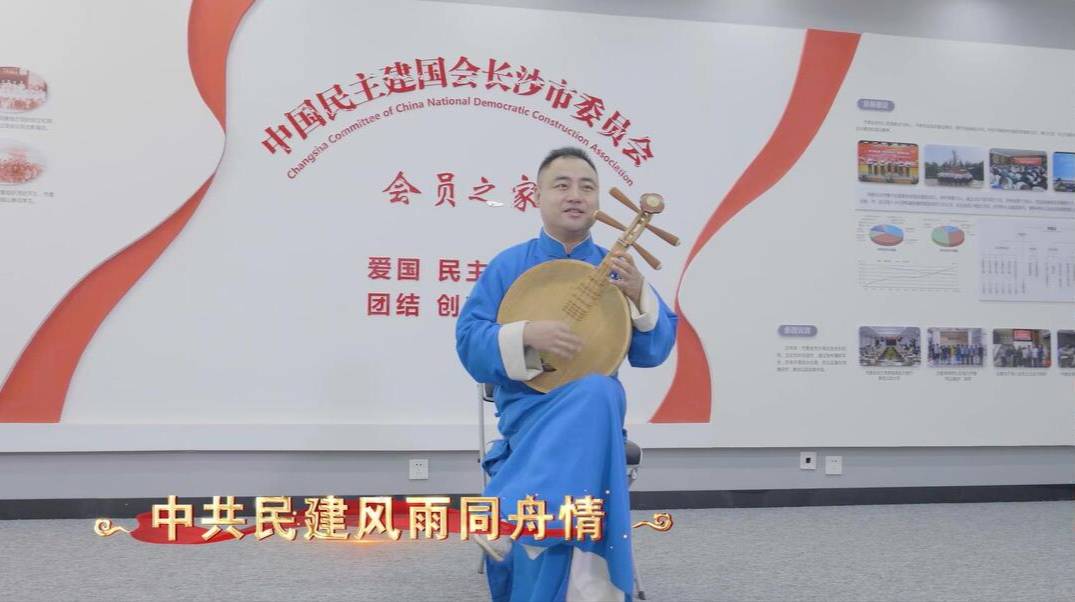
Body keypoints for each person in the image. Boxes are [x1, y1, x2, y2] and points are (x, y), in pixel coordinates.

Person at [455, 146, 678, 601]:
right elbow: (470, 341)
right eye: (562, 185)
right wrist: (525, 334)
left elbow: (653, 351)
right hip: (530, 413)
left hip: (595, 417)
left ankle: (506, 514)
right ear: (538, 196)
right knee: (601, 394)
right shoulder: (509, 265)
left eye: (587, 187)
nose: (575, 195)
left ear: (598, 201)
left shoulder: (619, 270)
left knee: (598, 391)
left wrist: (639, 295)